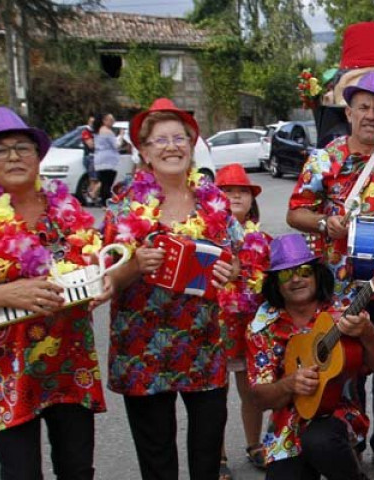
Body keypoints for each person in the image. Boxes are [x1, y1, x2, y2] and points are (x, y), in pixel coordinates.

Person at [286, 70, 374, 479]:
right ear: (348, 112)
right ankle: (348, 440)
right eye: (363, 107)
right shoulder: (324, 159)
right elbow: (295, 212)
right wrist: (328, 224)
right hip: (338, 287)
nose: (370, 116)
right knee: (342, 370)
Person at [103, 98, 242, 480]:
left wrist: (230, 269)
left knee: (207, 452)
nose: (171, 146)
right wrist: (135, 266)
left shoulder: (213, 200)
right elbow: (102, 281)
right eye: (159, 140)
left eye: (179, 138)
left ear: (192, 145)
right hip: (143, 348)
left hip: (204, 343)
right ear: (144, 152)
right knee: (157, 458)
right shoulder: (123, 206)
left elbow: (239, 258)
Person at [0, 106, 113, 479]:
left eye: (23, 148)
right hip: (7, 370)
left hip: (71, 365)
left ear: (38, 157)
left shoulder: (65, 209)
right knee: (21, 473)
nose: (13, 156)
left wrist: (102, 279)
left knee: (77, 469)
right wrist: (3, 295)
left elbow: (92, 260)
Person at [246, 233, 374, 480]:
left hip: (338, 414)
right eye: (286, 274)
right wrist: (289, 384)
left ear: (316, 274)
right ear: (275, 284)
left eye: (304, 271)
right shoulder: (262, 327)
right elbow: (259, 398)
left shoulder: (342, 312)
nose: (297, 279)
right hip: (286, 428)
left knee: (320, 440)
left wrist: (369, 332)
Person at [215, 164, 270, 479]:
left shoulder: (262, 239)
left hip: (251, 326)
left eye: (242, 191)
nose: (236, 196)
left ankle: (254, 444)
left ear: (252, 199)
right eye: (228, 191)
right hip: (216, 326)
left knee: (252, 390)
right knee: (215, 394)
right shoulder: (205, 233)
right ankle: (217, 455)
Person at [92, 113, 122, 206]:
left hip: (99, 158)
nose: (113, 122)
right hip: (108, 159)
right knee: (108, 182)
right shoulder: (107, 132)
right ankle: (106, 201)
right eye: (110, 120)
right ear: (104, 121)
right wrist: (121, 135)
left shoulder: (98, 131)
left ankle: (103, 200)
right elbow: (116, 145)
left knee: (104, 181)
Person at [81, 113, 101, 205]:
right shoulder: (86, 132)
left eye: (94, 122)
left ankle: (93, 198)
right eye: (92, 122)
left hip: (96, 157)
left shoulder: (96, 132)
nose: (93, 124)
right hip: (91, 157)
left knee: (94, 179)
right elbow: (91, 145)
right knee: (94, 179)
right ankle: (91, 196)